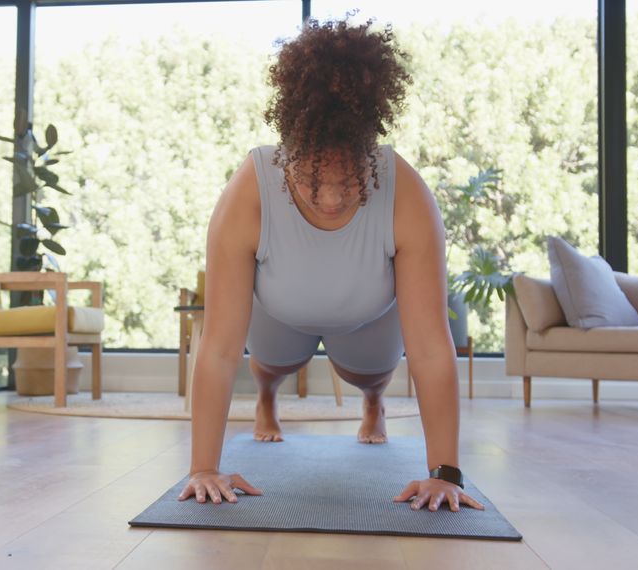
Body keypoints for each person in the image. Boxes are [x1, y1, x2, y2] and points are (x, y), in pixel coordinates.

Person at [176, 18, 485, 513]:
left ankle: (371, 404)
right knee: (271, 364)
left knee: (371, 373)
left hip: (368, 315)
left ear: (369, 155)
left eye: (350, 181)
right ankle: (268, 400)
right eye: (315, 181)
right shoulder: (249, 191)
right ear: (289, 153)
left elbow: (429, 348)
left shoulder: (404, 191)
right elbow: (217, 348)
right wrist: (203, 469)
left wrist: (444, 473)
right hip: (279, 312)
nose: (332, 199)